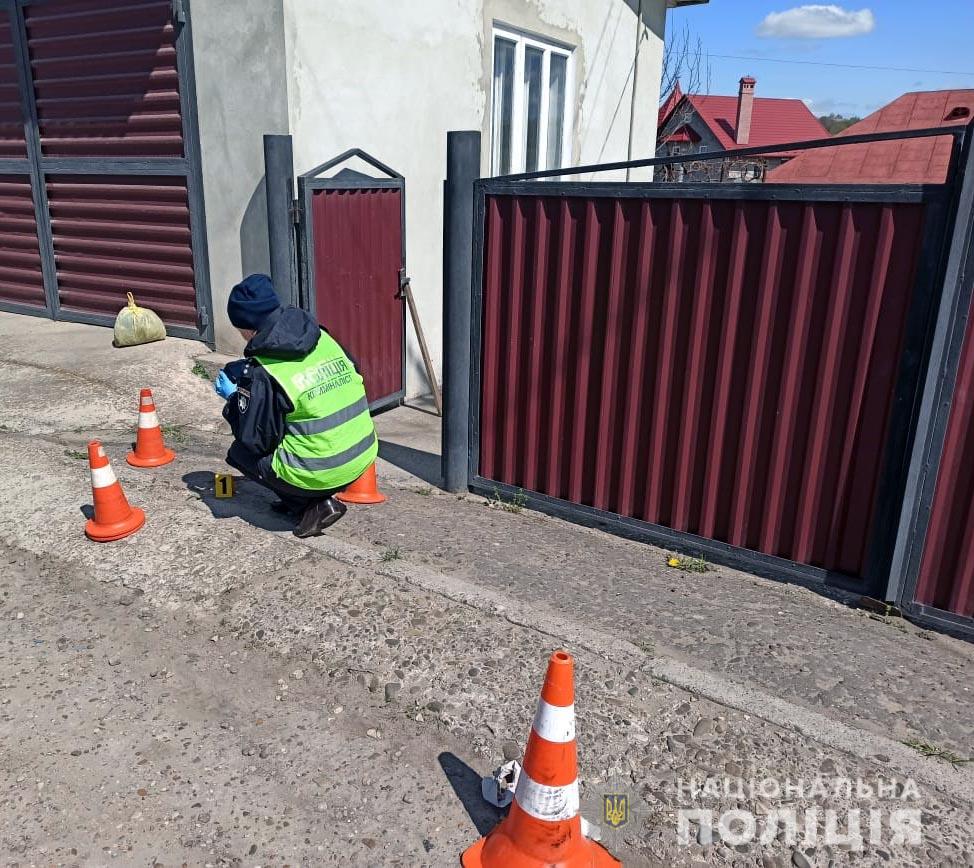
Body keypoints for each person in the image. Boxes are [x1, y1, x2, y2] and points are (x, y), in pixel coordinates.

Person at [214, 274, 377, 537]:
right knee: (289, 423)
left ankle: (312, 505)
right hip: (363, 455)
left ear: (248, 327)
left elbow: (255, 440)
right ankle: (298, 498)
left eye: (239, 329)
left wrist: (237, 399)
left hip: (328, 467)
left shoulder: (265, 370)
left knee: (241, 454)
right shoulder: (321, 336)